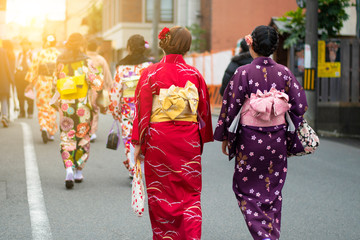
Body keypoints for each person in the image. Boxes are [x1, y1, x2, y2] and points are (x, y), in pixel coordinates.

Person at [214, 25, 308, 240]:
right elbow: (300, 105)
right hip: (277, 139)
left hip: (250, 140)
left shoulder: (243, 72)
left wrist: (226, 136)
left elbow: (232, 105)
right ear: (274, 47)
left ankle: (263, 236)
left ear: (252, 45)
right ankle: (271, 234)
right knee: (273, 193)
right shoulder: (284, 72)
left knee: (245, 189)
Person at [132, 26, 214, 240]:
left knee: (161, 193)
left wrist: (138, 142)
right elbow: (203, 111)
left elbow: (142, 110)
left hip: (159, 139)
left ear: (164, 44)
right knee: (190, 194)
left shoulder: (150, 73)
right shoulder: (194, 75)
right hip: (188, 139)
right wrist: (200, 140)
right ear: (187, 47)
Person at [54, 33, 103, 189]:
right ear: (82, 44)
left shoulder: (60, 61)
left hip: (66, 106)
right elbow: (97, 82)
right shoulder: (86, 61)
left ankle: (68, 167)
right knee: (83, 138)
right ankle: (78, 171)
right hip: (82, 106)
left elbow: (54, 83)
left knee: (67, 137)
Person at [109, 34, 153, 174]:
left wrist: (115, 111)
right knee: (144, 138)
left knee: (129, 139)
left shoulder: (122, 67)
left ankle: (133, 167)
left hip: (128, 109)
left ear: (128, 48)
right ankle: (138, 166)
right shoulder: (149, 66)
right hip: (146, 108)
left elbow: (116, 92)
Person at [25, 35, 61, 143]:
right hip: (54, 84)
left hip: (41, 83)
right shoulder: (59, 55)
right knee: (53, 107)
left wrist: (30, 84)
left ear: (45, 42)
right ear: (55, 43)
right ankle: (50, 132)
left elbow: (33, 69)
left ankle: (44, 127)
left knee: (42, 107)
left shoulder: (40, 54)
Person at [86, 38, 113, 142]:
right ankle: (92, 132)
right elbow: (106, 74)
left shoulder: (84, 58)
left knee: (85, 109)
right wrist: (108, 86)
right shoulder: (100, 59)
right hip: (97, 88)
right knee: (94, 109)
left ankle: (86, 130)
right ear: (96, 48)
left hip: (84, 87)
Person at [15, 38, 34, 119]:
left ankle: (30, 112)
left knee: (29, 95)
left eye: (26, 44)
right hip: (19, 77)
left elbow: (34, 67)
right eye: (23, 44)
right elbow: (16, 65)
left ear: (29, 45)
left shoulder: (32, 54)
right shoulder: (19, 54)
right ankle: (22, 112)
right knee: (20, 95)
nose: (24, 46)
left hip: (28, 76)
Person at [0, 40, 15, 127]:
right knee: (4, 98)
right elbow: (7, 66)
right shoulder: (3, 52)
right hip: (3, 80)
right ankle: (4, 116)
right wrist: (11, 79)